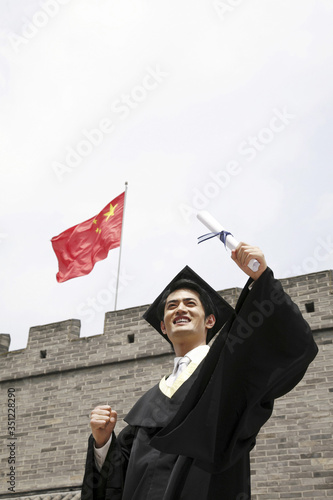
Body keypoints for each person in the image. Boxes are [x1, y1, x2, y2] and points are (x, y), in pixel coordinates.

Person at [81, 243, 318, 500]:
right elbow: (121, 480)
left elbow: (285, 345)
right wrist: (103, 443)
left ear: (210, 320)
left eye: (190, 303)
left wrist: (262, 279)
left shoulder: (228, 373)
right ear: (163, 326)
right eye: (171, 306)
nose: (180, 309)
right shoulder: (147, 406)